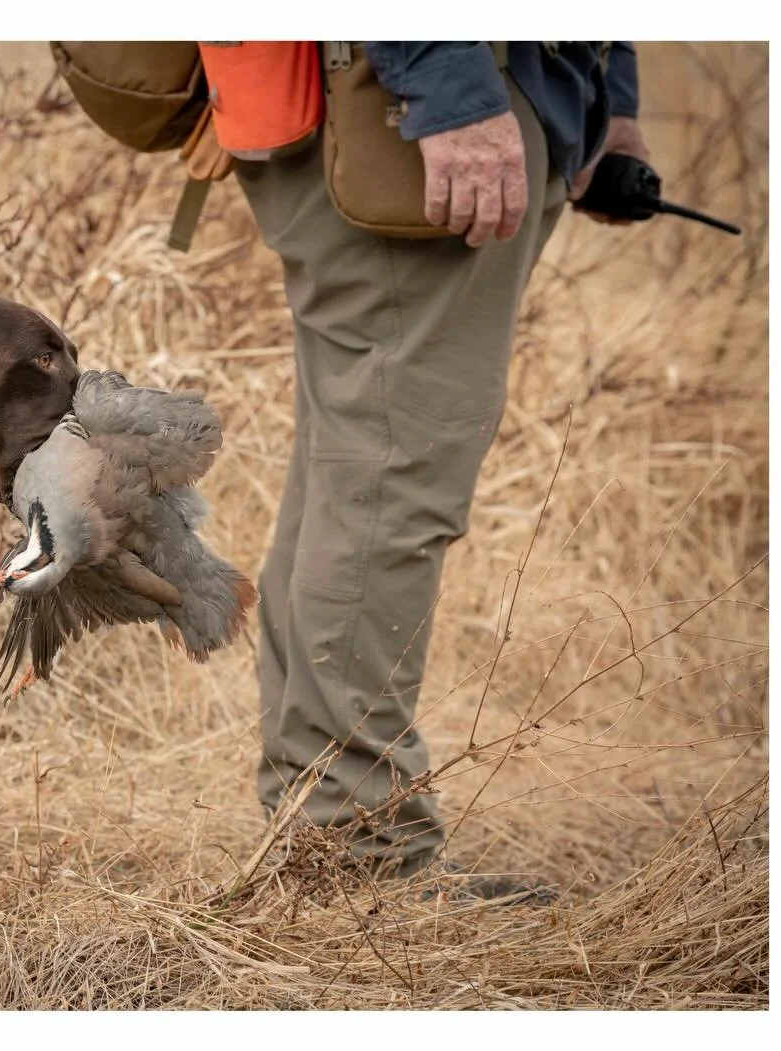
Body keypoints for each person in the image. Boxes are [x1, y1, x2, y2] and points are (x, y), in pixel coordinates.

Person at [229, 42, 649, 880]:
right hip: (420, 90)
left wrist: (611, 93)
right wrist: (447, 82)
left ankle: (325, 819)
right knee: (392, 472)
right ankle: (358, 850)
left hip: (460, 85)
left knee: (358, 463)